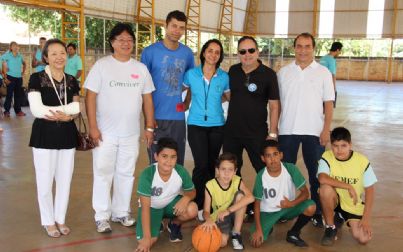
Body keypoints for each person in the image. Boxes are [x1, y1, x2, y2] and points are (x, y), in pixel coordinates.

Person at [85, 23, 155, 233]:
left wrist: (149, 127)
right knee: (103, 172)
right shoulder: (102, 66)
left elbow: (148, 99)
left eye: (129, 40)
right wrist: (93, 127)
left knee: (126, 173)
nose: (126, 43)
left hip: (130, 133)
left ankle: (121, 212)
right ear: (112, 43)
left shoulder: (140, 69)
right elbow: (90, 97)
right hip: (105, 133)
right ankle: (102, 215)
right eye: (121, 40)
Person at [277, 32, 335, 227]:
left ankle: (317, 211)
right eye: (299, 46)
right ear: (294, 48)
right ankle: (286, 209)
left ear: (313, 48)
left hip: (314, 132)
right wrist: (274, 129)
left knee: (316, 174)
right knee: (286, 173)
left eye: (307, 46)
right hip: (287, 131)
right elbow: (276, 104)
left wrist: (326, 130)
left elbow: (328, 104)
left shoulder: (323, 73)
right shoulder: (283, 73)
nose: (303, 50)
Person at [27, 39, 81, 238]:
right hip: (44, 136)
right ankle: (48, 221)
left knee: (65, 180)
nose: (59, 57)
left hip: (67, 135)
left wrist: (70, 115)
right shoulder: (36, 78)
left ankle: (60, 218)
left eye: (62, 53)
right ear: (46, 58)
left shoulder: (72, 80)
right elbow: (36, 110)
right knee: (45, 180)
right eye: (54, 54)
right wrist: (66, 111)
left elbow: (77, 109)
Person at [141, 10, 195, 166]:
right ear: (165, 26)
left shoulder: (187, 53)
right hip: (156, 117)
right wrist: (148, 120)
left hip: (178, 118)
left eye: (181, 27)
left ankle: (175, 191)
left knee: (177, 163)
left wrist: (187, 103)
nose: (177, 31)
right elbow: (143, 89)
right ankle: (157, 190)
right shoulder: (149, 52)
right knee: (156, 161)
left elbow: (191, 80)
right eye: (174, 26)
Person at [183, 39, 230, 213]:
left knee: (211, 165)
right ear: (203, 53)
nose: (213, 55)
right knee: (201, 164)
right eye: (210, 51)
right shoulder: (191, 74)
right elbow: (184, 94)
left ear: (220, 56)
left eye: (217, 52)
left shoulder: (224, 77)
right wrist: (183, 105)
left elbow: (228, 96)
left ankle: (210, 204)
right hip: (196, 124)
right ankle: (198, 202)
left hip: (217, 125)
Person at [223, 36, 280, 177]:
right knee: (231, 170)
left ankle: (266, 198)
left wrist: (272, 133)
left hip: (257, 133)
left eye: (251, 50)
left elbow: (274, 105)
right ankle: (237, 198)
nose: (247, 54)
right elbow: (228, 96)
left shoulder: (269, 75)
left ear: (258, 52)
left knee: (263, 170)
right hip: (232, 133)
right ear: (238, 54)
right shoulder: (233, 71)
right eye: (242, 51)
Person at [250, 140, 316, 248]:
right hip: (268, 212)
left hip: (287, 208)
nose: (273, 159)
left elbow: (305, 193)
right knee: (255, 242)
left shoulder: (290, 169)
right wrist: (258, 229)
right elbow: (257, 204)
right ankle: (269, 226)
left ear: (281, 155)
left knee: (311, 206)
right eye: (268, 156)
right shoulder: (261, 176)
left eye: (275, 154)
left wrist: (292, 203)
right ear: (263, 158)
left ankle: (293, 233)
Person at [135, 137, 197, 252]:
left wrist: (186, 198)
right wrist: (147, 238)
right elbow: (145, 208)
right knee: (146, 243)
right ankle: (157, 224)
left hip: (170, 205)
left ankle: (174, 224)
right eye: (164, 156)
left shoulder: (180, 171)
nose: (169, 161)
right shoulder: (147, 174)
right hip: (151, 208)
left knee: (192, 209)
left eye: (173, 157)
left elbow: (192, 191)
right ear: (156, 157)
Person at [318, 127, 377, 246]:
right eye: (335, 146)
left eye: (343, 145)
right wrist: (348, 186)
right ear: (331, 145)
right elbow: (322, 178)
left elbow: (370, 191)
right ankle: (330, 227)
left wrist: (365, 219)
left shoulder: (361, 161)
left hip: (351, 204)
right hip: (334, 199)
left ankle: (341, 217)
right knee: (324, 189)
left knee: (364, 238)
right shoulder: (327, 156)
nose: (339, 150)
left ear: (350, 144)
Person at [201, 152, 254, 250]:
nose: (226, 173)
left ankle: (236, 233)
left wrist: (228, 210)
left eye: (230, 170)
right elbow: (206, 211)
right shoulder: (210, 185)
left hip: (234, 213)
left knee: (241, 196)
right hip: (221, 218)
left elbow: (251, 198)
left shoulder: (237, 180)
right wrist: (208, 219)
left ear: (235, 171)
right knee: (221, 243)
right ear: (217, 170)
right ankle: (229, 230)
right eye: (223, 169)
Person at [2, 41, 27, 117]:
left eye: (17, 46)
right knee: (9, 95)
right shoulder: (7, 55)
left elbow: (24, 63)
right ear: (11, 48)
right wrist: (5, 77)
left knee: (18, 95)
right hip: (10, 77)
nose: (16, 47)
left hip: (19, 78)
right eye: (14, 46)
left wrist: (23, 72)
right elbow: (3, 64)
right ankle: (7, 111)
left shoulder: (20, 55)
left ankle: (18, 111)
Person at [320, 41, 343, 107]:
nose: (340, 53)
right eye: (340, 51)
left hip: (320, 86)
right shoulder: (332, 60)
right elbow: (332, 75)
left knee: (321, 106)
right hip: (327, 86)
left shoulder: (323, 58)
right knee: (329, 107)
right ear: (337, 50)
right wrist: (334, 88)